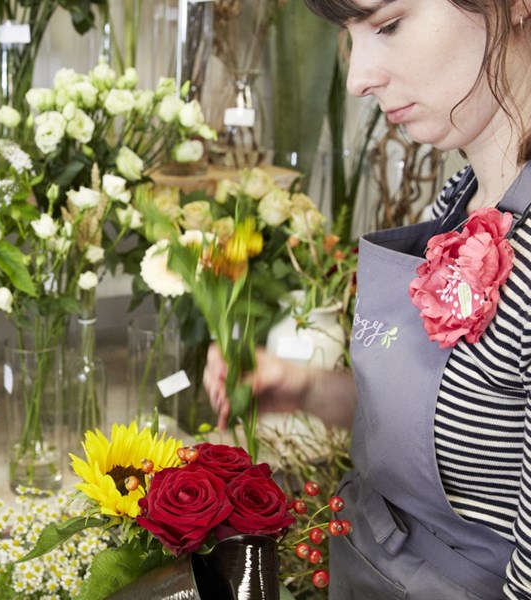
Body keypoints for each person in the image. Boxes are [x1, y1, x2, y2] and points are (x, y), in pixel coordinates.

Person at [202, 1, 531, 598]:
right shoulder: (461, 198)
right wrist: (305, 389)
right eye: (350, 36)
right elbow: (460, 428)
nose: (357, 79)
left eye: (388, 25)